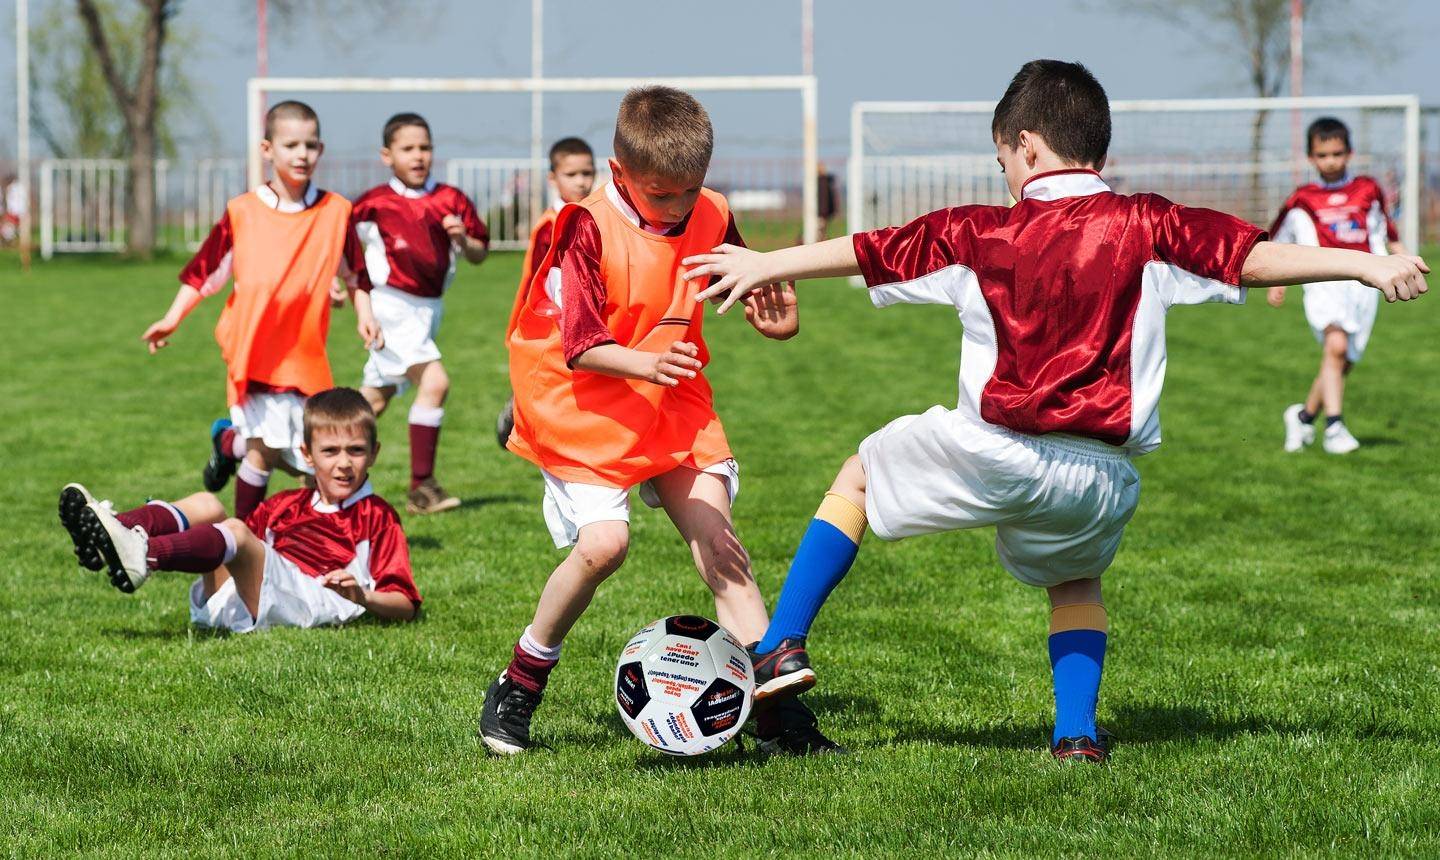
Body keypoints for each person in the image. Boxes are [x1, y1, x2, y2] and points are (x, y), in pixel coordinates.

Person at [682, 60, 1429, 763]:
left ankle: (781, 642)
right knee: (1075, 585)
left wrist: (768, 261)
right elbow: (1253, 257)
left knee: (859, 476)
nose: (1002, 173)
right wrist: (1365, 263)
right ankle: (1076, 736)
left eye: (1001, 158)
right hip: (1103, 477)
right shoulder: (1150, 224)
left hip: (999, 448)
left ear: (1027, 147)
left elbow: (872, 250)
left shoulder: (981, 229)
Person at [480, 86, 838, 757]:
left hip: (670, 395)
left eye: (689, 192)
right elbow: (582, 342)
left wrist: (778, 323)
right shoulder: (585, 227)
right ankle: (520, 681)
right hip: (581, 403)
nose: (678, 208)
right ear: (620, 175)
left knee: (719, 542)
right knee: (604, 546)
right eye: (660, 194)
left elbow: (745, 282)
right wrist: (644, 365)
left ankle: (779, 721)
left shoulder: (712, 212)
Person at [148, 100, 379, 521]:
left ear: (321, 149)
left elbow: (356, 274)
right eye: (291, 144)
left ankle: (229, 447)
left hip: (306, 355)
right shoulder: (243, 212)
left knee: (306, 462)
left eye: (310, 145)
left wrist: (365, 314)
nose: (301, 154)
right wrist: (171, 318)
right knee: (264, 451)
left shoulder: (336, 212)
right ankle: (246, 539)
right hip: (252, 350)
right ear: (267, 149)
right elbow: (205, 273)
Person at [58, 388, 421, 632]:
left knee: (235, 529)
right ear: (307, 455)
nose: (344, 463)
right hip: (255, 598)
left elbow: (406, 603)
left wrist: (362, 596)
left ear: (374, 453)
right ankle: (114, 529)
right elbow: (231, 546)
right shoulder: (286, 505)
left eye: (356, 450)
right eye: (331, 452)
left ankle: (145, 553)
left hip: (315, 599)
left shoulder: (378, 516)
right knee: (208, 504)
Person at [350, 112, 490, 513]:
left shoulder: (451, 199)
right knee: (435, 383)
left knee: (373, 400)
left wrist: (463, 240)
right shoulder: (374, 203)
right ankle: (421, 487)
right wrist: (341, 286)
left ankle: (312, 460)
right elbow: (342, 248)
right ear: (386, 155)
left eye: (424, 148)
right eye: (407, 148)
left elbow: (481, 254)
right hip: (390, 306)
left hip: (430, 310)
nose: (418, 156)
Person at [1269, 117, 1408, 454]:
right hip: (1324, 284)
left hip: (1364, 287)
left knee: (1342, 361)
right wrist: (1278, 282)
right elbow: (1277, 239)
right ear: (1310, 157)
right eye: (1322, 155)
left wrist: (1402, 258)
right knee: (1336, 349)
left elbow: (1386, 232)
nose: (1330, 161)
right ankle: (1334, 429)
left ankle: (1303, 417)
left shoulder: (1368, 189)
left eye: (1336, 153)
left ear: (1349, 153)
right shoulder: (1302, 198)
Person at [496, 136, 598, 448]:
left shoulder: (592, 216)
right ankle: (518, 413)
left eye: (587, 173)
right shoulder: (551, 225)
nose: (581, 182)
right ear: (553, 178)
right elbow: (545, 285)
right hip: (546, 322)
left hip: (577, 319)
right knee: (557, 391)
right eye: (572, 175)